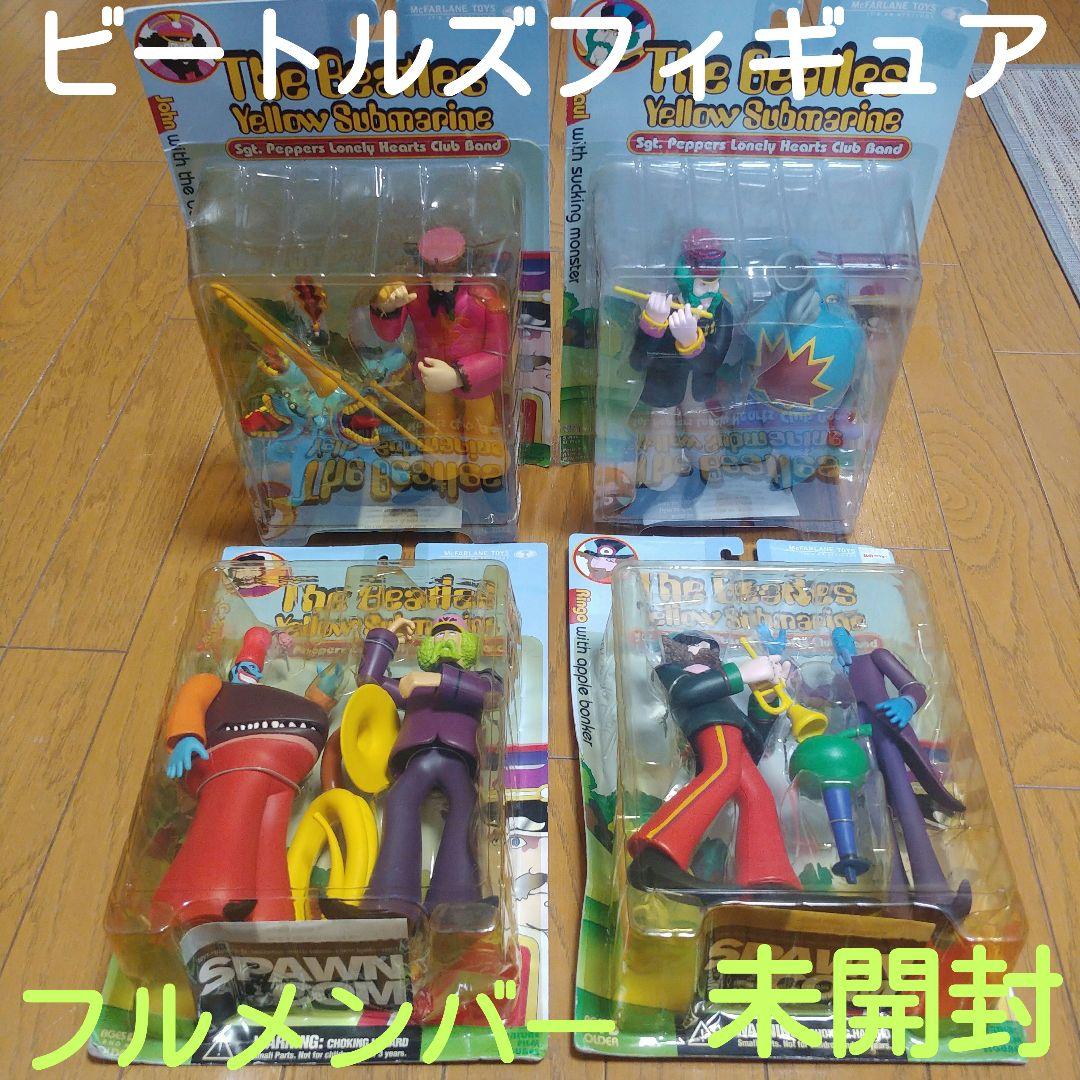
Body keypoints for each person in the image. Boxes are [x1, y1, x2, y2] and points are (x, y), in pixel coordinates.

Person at [153, 628, 339, 926]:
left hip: (284, 769)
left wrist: (319, 705)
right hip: (228, 758)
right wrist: (187, 736)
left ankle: (273, 918)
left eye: (254, 668)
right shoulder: (215, 685)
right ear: (234, 667)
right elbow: (192, 698)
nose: (252, 673)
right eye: (247, 667)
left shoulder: (259, 699)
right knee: (233, 820)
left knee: (269, 843)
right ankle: (204, 901)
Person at [626, 632, 801, 896]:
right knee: (722, 772)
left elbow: (757, 736)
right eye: (695, 646)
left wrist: (765, 700)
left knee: (758, 795)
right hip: (709, 724)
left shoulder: (722, 688)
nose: (703, 651)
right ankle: (656, 854)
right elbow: (684, 693)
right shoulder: (672, 672)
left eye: (709, 648)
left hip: (735, 730)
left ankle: (766, 878)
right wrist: (740, 674)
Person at [353, 614, 500, 915]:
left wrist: (436, 679)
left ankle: (456, 903)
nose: (445, 639)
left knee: (467, 807)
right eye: (438, 634)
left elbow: (491, 694)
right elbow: (370, 682)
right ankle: (391, 898)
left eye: (452, 633)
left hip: (459, 761)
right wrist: (386, 636)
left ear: (468, 642)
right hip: (417, 759)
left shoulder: (481, 678)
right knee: (399, 801)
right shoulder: (412, 686)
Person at [832, 628, 971, 921]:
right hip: (857, 751)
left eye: (842, 637)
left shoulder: (876, 657)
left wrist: (905, 704)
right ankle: (896, 903)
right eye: (836, 640)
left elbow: (915, 687)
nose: (839, 643)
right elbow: (813, 698)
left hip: (887, 737)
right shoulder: (836, 678)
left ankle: (935, 896)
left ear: (853, 641)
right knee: (875, 820)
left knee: (907, 807)